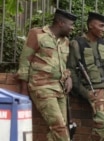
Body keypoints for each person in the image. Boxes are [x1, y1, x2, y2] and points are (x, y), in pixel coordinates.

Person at [17, 9, 77, 141]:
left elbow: (62, 64)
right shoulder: (37, 34)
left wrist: (68, 77)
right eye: (71, 24)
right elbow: (25, 61)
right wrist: (23, 90)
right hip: (42, 86)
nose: (72, 28)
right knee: (60, 128)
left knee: (61, 128)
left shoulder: (65, 41)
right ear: (61, 23)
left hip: (60, 88)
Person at [67, 12, 104, 141]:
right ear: (91, 25)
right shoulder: (76, 44)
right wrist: (84, 92)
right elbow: (71, 70)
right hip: (96, 90)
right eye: (101, 26)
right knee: (103, 123)